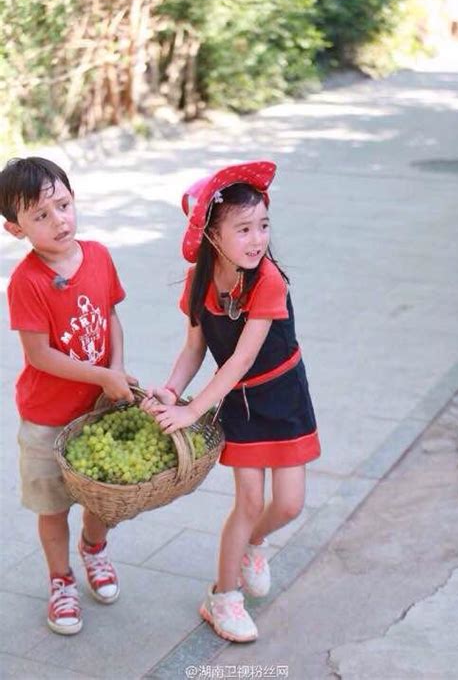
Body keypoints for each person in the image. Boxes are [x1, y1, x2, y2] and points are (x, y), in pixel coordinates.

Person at [141, 161, 320, 642]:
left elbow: (240, 359)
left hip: (283, 396)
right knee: (247, 500)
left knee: (289, 504)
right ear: (211, 235)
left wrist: (191, 410)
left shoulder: (267, 281)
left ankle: (252, 544)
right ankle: (222, 598)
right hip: (239, 405)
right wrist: (171, 391)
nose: (257, 238)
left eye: (263, 225)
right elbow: (195, 349)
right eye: (243, 228)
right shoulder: (198, 283)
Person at [0, 156, 136, 635]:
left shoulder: (98, 255)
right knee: (52, 507)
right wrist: (102, 375)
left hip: (97, 411)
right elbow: (39, 356)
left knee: (103, 498)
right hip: (46, 419)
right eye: (40, 215)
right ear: (16, 229)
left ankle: (95, 548)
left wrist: (114, 369)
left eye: (63, 205)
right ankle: (61, 580)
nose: (59, 220)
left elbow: (112, 317)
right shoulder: (27, 282)